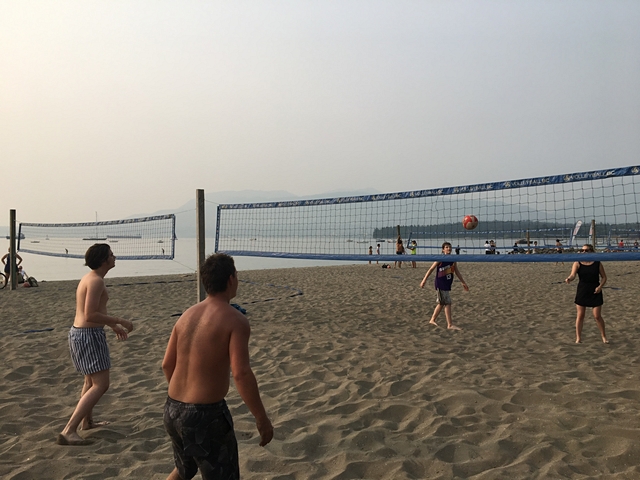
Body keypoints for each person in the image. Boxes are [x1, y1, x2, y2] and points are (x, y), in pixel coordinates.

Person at [162, 253, 273, 480]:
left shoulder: (186, 316)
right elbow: (241, 374)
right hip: (206, 415)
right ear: (231, 279)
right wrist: (261, 418)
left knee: (185, 469)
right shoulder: (235, 320)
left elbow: (166, 364)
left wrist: (183, 401)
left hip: (172, 409)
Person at [57, 244, 134, 446]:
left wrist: (113, 327)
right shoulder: (96, 281)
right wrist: (120, 320)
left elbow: (94, 312)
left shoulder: (91, 278)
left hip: (81, 333)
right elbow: (90, 314)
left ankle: (87, 423)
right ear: (103, 260)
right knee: (101, 384)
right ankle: (69, 430)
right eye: (111, 255)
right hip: (88, 335)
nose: (114, 257)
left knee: (90, 382)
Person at [419, 242, 469, 330]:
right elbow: (431, 269)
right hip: (440, 283)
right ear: (443, 249)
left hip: (447, 283)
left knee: (441, 303)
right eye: (446, 247)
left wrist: (463, 282)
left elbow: (456, 271)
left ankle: (432, 320)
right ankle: (450, 325)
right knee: (447, 302)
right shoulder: (440, 258)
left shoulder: (453, 259)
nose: (448, 248)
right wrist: (424, 280)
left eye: (450, 247)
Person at [565, 244, 608, 344]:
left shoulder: (597, 263)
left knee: (597, 316)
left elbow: (604, 277)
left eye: (586, 250)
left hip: (595, 290)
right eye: (582, 250)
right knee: (580, 315)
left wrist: (600, 287)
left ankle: (604, 336)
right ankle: (578, 338)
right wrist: (569, 279)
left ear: (591, 251)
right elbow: (573, 275)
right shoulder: (577, 262)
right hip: (583, 290)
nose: (584, 252)